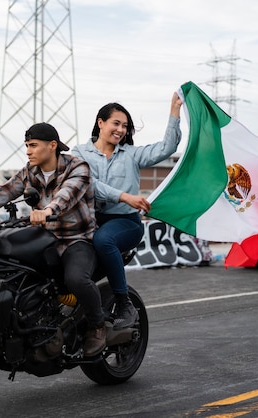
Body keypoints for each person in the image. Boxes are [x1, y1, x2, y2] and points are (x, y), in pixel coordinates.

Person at [0, 122, 106, 357]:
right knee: (5, 264)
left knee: (76, 278)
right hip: (44, 236)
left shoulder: (78, 167)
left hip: (74, 239)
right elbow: (2, 193)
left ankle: (97, 326)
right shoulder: (29, 172)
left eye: (33, 145)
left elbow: (67, 195)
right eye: (27, 145)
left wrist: (47, 210)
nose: (28, 151)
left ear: (52, 146)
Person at [72, 93, 183, 330]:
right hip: (89, 223)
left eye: (125, 126)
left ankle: (124, 304)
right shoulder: (79, 153)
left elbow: (167, 147)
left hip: (125, 222)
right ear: (100, 122)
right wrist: (124, 195)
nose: (121, 130)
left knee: (104, 240)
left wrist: (174, 110)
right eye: (116, 123)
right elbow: (86, 183)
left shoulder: (131, 154)